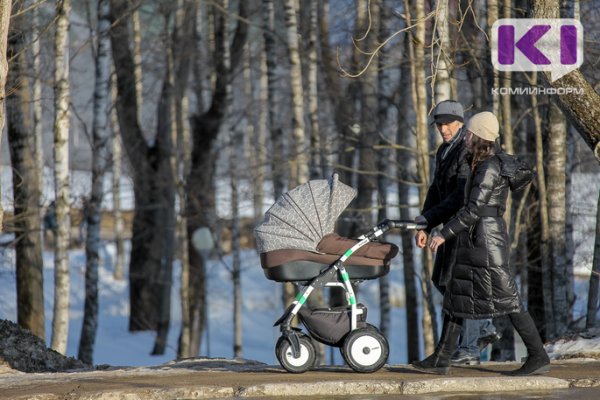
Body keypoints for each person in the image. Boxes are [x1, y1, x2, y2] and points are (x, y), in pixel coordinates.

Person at [412, 111, 549, 376]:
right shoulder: (477, 163)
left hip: (487, 243)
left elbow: (474, 209)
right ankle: (441, 359)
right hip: (473, 240)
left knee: (509, 300)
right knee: (455, 294)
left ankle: (538, 356)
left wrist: (443, 233)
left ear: (479, 136)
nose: (465, 137)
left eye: (469, 133)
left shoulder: (490, 167)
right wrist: (427, 219)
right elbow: (456, 202)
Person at [414, 100, 500, 365]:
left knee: (460, 287)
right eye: (439, 125)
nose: (443, 129)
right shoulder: (444, 150)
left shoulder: (466, 151)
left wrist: (432, 220)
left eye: (448, 124)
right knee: (441, 282)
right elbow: (435, 190)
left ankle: (470, 348)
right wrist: (424, 225)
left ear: (460, 124)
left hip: (462, 227)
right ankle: (484, 328)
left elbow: (457, 198)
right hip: (445, 225)